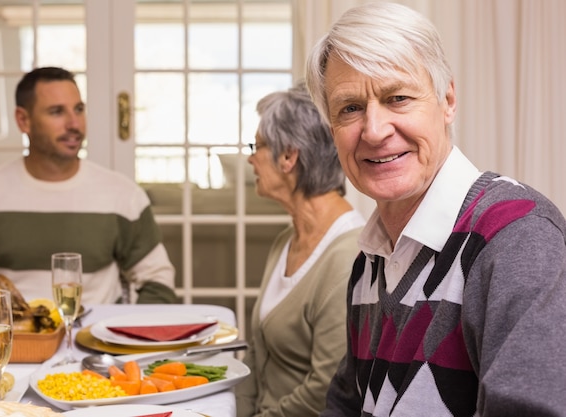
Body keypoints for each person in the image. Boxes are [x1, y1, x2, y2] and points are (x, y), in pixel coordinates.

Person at [305, 3, 566, 416]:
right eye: (350, 108)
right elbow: (345, 406)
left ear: (447, 101)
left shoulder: (517, 237)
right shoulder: (368, 263)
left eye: (398, 98)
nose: (374, 131)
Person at [0, 67, 176, 305]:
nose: (75, 124)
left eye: (79, 109)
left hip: (94, 338)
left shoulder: (123, 196)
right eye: (57, 112)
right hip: (10, 339)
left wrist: (130, 332)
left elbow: (158, 281)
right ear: (24, 120)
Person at [235, 82, 365, 417]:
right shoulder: (286, 240)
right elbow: (257, 355)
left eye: (258, 146)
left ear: (289, 155)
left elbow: (326, 389)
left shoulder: (348, 257)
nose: (250, 158)